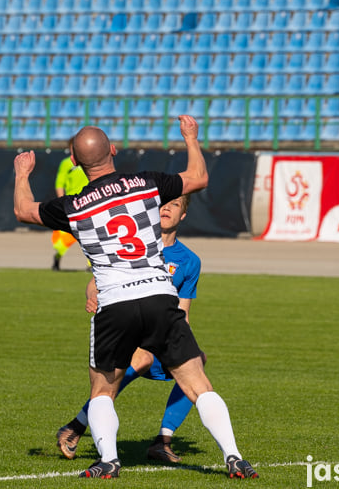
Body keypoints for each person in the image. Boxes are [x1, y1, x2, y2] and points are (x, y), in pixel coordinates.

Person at [13, 117, 257, 480]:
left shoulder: (73, 206)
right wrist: (191, 138)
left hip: (114, 302)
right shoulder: (146, 183)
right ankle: (234, 456)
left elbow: (24, 210)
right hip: (159, 293)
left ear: (75, 163)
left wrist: (22, 173)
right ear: (114, 150)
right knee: (197, 383)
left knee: (102, 391)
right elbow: (199, 178)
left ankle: (108, 460)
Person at [56, 194, 203, 464]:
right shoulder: (137, 245)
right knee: (141, 359)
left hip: (161, 331)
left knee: (198, 361)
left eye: (175, 205)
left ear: (183, 215)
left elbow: (183, 311)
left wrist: (185, 343)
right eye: (163, 204)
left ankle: (162, 441)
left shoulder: (190, 261)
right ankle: (77, 425)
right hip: (127, 328)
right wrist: (92, 295)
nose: (167, 208)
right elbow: (97, 280)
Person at [51, 147, 89, 271]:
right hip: (72, 204)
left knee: (90, 235)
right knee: (66, 236)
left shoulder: (90, 162)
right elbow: (59, 183)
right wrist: (61, 203)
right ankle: (58, 257)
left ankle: (91, 265)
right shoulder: (66, 163)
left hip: (89, 203)